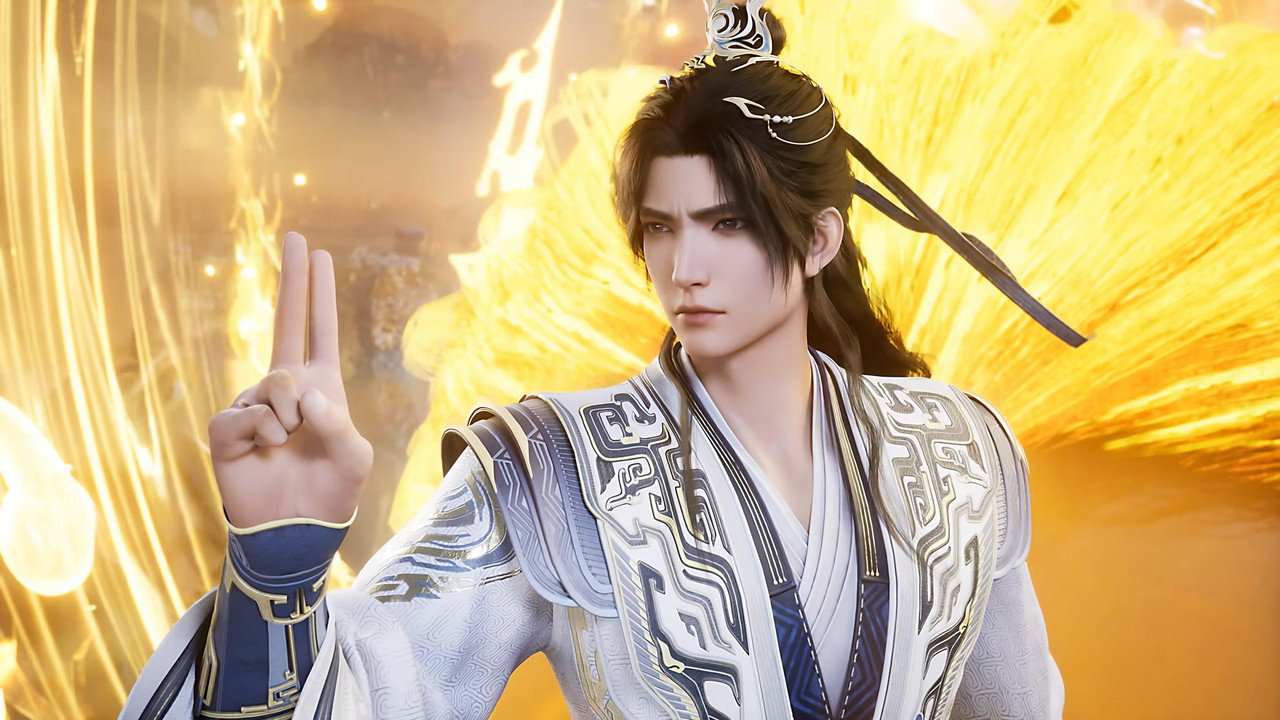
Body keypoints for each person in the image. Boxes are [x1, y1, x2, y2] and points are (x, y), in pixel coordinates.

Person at [120, 2, 1075, 718]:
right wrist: (278, 576)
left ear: (819, 239)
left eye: (727, 224)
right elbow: (379, 689)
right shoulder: (554, 472)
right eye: (661, 227)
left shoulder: (959, 452)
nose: (684, 267)